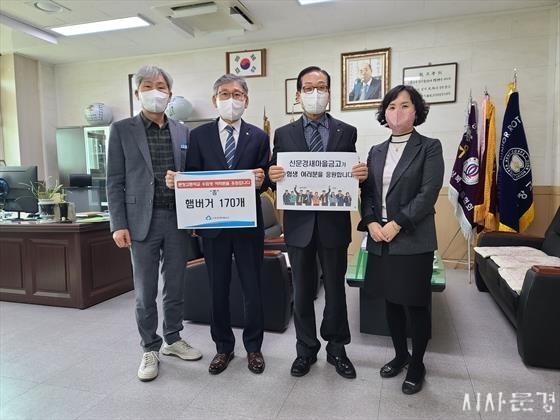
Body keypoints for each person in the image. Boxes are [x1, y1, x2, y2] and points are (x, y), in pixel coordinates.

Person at [166, 74, 270, 375]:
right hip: (214, 228)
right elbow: (192, 177)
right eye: (224, 94)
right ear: (215, 100)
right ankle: (223, 347)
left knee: (253, 289)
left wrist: (262, 179)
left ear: (246, 100)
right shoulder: (198, 136)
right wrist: (181, 185)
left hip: (248, 226)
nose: (231, 99)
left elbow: (265, 178)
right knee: (217, 289)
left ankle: (254, 348)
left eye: (237, 94)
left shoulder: (258, 136)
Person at [268, 66, 368, 379]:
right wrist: (272, 174)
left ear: (329, 93)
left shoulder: (346, 131)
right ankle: (305, 350)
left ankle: (337, 349)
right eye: (308, 88)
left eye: (321, 87)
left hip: (333, 225)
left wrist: (360, 175)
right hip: (298, 226)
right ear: (298, 95)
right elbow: (274, 173)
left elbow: (349, 173)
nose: (315, 93)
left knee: (336, 290)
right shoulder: (283, 134)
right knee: (302, 292)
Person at [107, 64, 202, 382]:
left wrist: (193, 212)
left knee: (176, 285)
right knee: (145, 291)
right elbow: (114, 181)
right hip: (140, 222)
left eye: (160, 87)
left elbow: (192, 177)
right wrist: (118, 224)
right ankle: (149, 347)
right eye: (147, 87)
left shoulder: (182, 131)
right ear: (138, 93)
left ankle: (173, 338)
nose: (155, 92)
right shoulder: (121, 130)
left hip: (177, 219)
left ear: (170, 94)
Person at [358, 85, 444, 395]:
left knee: (416, 303)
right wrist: (370, 221)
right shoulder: (376, 150)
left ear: (417, 111)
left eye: (405, 106)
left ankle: (417, 363)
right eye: (392, 106)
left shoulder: (429, 147)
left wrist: (397, 224)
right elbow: (368, 192)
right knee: (391, 301)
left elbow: (428, 193)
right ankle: (400, 355)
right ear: (385, 113)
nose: (398, 112)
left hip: (412, 236)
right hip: (380, 236)